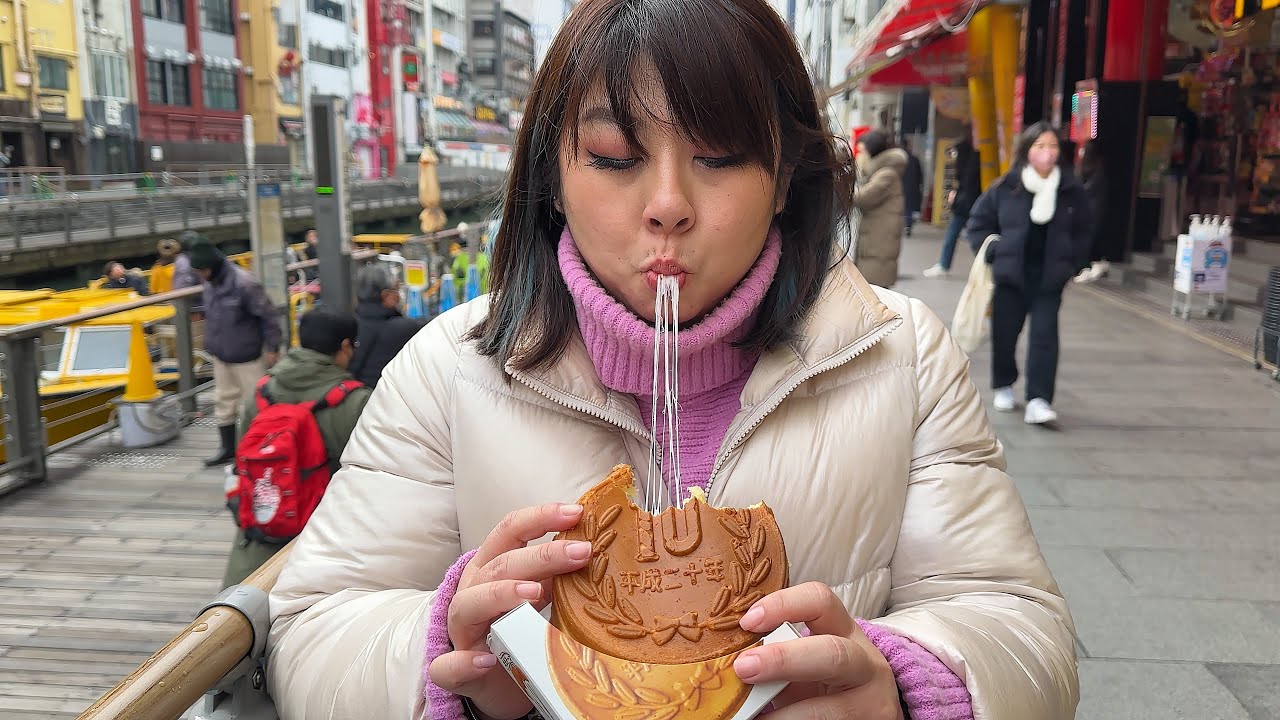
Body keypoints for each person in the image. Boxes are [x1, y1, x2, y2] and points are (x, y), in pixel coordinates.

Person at [266, 2, 1079, 719]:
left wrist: (907, 688)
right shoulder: (447, 371)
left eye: (719, 157)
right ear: (553, 174)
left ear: (784, 177)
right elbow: (312, 631)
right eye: (614, 157)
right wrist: (455, 652)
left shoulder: (903, 354)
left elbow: (1019, 625)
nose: (667, 205)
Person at [222, 310, 372, 587]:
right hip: (324, 545)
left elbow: (240, 460)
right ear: (345, 346)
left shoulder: (262, 391)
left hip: (258, 541)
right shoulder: (356, 402)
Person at [966, 121, 1093, 425]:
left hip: (1050, 276)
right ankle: (1004, 384)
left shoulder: (1070, 190)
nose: (1047, 152)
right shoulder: (1006, 187)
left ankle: (1039, 399)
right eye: (1040, 146)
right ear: (1027, 150)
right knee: (1005, 334)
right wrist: (994, 252)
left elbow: (1085, 230)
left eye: (1052, 146)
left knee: (1044, 337)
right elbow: (978, 223)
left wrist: (1072, 263)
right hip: (1011, 275)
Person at [188, 236, 283, 465]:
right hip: (221, 354)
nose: (200, 275)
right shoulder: (209, 282)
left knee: (255, 404)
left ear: (212, 266)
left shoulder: (245, 283)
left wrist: (273, 347)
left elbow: (268, 317)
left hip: (248, 355)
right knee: (224, 402)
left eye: (202, 271)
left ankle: (258, 449)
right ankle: (228, 448)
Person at [350, 264, 426, 387]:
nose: (399, 296)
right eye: (396, 290)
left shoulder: (350, 325)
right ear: (385, 295)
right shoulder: (403, 329)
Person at [850, 129, 907, 287]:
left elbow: (862, 198)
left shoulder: (886, 175)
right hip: (877, 239)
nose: (860, 155)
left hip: (879, 242)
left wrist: (842, 189)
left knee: (875, 287)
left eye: (862, 151)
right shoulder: (881, 172)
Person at [924, 130, 983, 278]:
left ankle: (944, 265)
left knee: (955, 233)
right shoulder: (979, 155)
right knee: (977, 235)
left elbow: (964, 180)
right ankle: (982, 268)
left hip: (965, 203)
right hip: (974, 201)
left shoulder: (968, 155)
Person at [1073, 139, 1110, 284]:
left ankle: (1086, 267)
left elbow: (1088, 188)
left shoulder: (1098, 168)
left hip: (1091, 209)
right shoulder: (1085, 166)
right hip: (1086, 209)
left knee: (1087, 239)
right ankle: (1084, 267)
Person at [900, 138, 924, 237]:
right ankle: (907, 226)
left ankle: (902, 225)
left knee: (901, 206)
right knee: (908, 207)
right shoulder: (914, 159)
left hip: (900, 185)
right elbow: (920, 175)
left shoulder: (898, 159)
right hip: (912, 186)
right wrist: (919, 185)